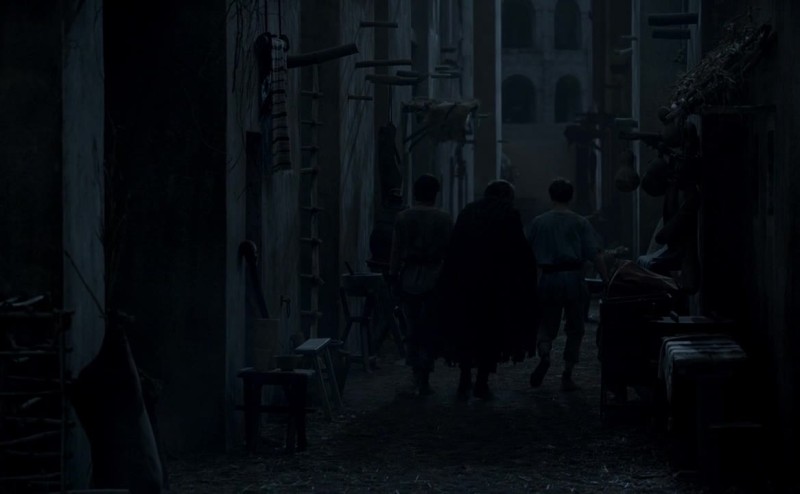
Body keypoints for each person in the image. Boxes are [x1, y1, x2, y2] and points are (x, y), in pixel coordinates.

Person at [438, 180, 538, 399]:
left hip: (465, 282)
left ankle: (464, 377)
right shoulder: (508, 215)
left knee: (466, 330)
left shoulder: (468, 212)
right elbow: (519, 251)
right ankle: (481, 382)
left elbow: (454, 247)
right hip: (496, 286)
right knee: (491, 333)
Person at [526, 178, 609, 391]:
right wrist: (606, 279)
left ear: (551, 196)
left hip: (549, 277)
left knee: (546, 323)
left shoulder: (539, 222)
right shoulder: (580, 222)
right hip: (573, 277)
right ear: (570, 197)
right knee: (575, 327)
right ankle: (567, 372)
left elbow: (528, 255)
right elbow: (594, 254)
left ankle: (545, 353)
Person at [389, 175, 453, 395]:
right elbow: (450, 251)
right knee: (431, 327)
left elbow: (396, 250)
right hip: (435, 277)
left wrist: (393, 276)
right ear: (435, 194)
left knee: (413, 327)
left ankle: (417, 372)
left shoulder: (403, 217)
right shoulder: (444, 218)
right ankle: (425, 372)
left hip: (409, 277)